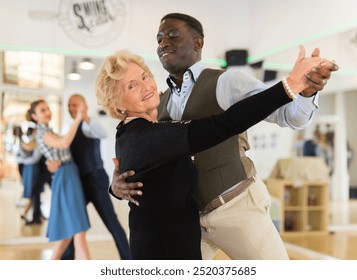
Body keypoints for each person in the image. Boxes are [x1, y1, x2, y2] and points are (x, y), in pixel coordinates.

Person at [110, 13, 339, 260]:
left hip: (236, 208)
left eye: (173, 36)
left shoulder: (227, 81)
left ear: (198, 43)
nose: (163, 43)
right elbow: (147, 154)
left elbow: (290, 116)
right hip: (191, 221)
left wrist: (305, 92)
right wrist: (115, 185)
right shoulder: (159, 101)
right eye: (159, 39)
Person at [60, 94, 131, 260]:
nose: (71, 108)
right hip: (79, 183)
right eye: (69, 106)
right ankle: (67, 258)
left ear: (84, 106)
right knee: (73, 220)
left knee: (111, 222)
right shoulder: (69, 128)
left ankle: (128, 259)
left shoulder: (90, 124)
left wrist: (84, 117)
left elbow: (104, 133)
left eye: (75, 105)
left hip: (96, 180)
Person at [27, 99, 91, 260]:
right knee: (78, 231)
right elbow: (63, 143)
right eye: (42, 110)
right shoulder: (43, 133)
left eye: (47, 108)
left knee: (71, 234)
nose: (48, 112)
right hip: (66, 177)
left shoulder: (49, 131)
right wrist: (78, 119)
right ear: (34, 116)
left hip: (69, 174)